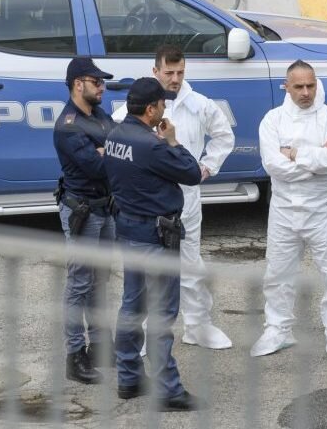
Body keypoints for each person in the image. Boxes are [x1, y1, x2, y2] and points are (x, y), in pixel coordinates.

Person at [112, 46, 235, 350]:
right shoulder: (134, 111)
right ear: (156, 71)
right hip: (146, 205)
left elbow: (224, 136)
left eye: (180, 72)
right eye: (169, 73)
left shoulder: (200, 105)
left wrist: (208, 166)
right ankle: (138, 336)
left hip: (186, 202)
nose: (175, 78)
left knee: (191, 265)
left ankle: (197, 325)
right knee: (143, 275)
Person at [105, 77, 203, 412]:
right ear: (151, 109)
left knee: (132, 306)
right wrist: (173, 141)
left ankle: (129, 378)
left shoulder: (116, 134)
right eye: (162, 103)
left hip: (130, 231)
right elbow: (191, 173)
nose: (164, 108)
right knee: (162, 313)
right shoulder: (154, 144)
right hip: (155, 237)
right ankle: (169, 390)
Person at [252, 60, 327, 358]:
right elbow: (274, 166)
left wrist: (295, 154)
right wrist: (315, 161)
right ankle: (278, 329)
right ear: (287, 86)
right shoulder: (272, 120)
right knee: (277, 271)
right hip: (284, 210)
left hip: (322, 208)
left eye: (310, 85)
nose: (306, 92)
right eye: (299, 86)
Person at [52, 57, 116, 385]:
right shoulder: (68, 125)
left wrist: (109, 151)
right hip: (83, 212)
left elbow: (121, 148)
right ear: (79, 84)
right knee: (79, 283)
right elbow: (99, 167)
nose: (102, 87)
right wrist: (108, 153)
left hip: (105, 209)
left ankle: (101, 346)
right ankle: (75, 355)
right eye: (96, 82)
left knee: (100, 280)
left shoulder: (100, 116)